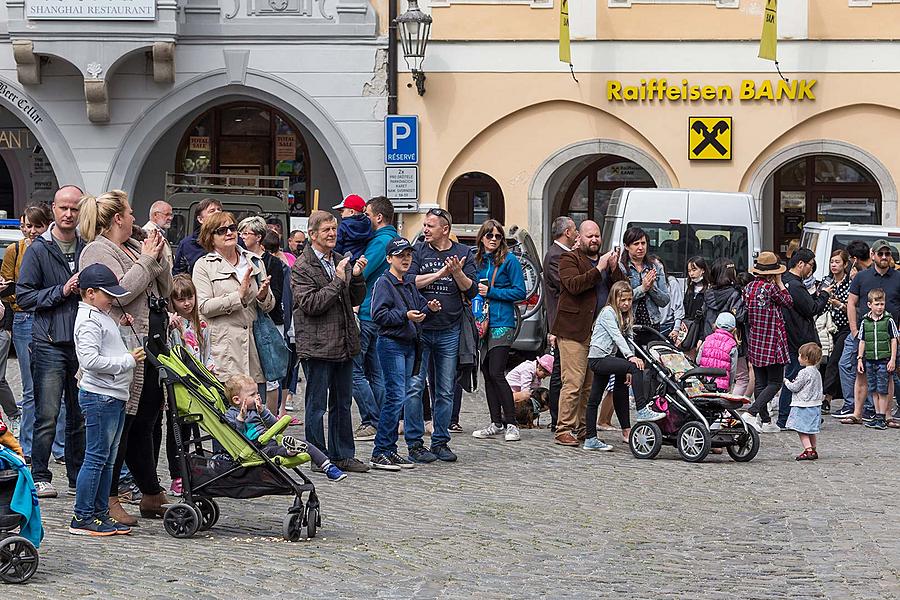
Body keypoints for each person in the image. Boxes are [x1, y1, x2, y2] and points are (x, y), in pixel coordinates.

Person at [78, 189, 174, 524]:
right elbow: (118, 294)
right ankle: (110, 497)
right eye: (131, 213)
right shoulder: (96, 251)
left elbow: (165, 288)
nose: (136, 219)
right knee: (124, 423)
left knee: (146, 422)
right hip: (122, 348)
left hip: (150, 345)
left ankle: (150, 492)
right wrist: (148, 260)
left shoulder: (134, 246)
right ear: (118, 218)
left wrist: (159, 256)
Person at [16, 185, 86, 499]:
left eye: (74, 208)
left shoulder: (89, 246)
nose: (69, 214)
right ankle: (40, 474)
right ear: (54, 209)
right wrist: (62, 290)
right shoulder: (39, 249)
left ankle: (76, 476)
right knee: (47, 414)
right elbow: (25, 296)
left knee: (80, 414)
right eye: (63, 208)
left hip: (82, 341)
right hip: (48, 341)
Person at [292, 210, 370, 473]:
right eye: (326, 230)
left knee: (342, 403)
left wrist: (356, 276)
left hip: (344, 343)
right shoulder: (301, 266)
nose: (332, 234)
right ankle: (318, 456)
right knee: (316, 405)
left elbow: (355, 298)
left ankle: (343, 454)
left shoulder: (339, 260)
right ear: (312, 234)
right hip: (317, 346)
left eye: (334, 229)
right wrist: (338, 279)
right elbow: (311, 304)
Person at [70, 264, 144, 537]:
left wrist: (121, 328)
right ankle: (83, 515)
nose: (112, 299)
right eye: (107, 294)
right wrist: (128, 360)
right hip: (100, 396)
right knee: (96, 458)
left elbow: (106, 345)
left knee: (107, 460)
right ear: (90, 293)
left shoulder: (100, 315)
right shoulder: (89, 319)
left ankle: (99, 513)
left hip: (111, 395)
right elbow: (89, 361)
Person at [405, 208, 478, 463]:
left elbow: (471, 291)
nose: (425, 229)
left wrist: (457, 272)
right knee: (414, 387)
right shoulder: (418, 252)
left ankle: (440, 442)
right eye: (424, 225)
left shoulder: (464, 254)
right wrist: (438, 275)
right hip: (421, 330)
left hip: (450, 329)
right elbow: (409, 281)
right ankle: (414, 444)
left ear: (445, 229)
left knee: (445, 390)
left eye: (430, 226)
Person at [551, 220, 625, 447]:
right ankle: (563, 429)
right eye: (589, 236)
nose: (594, 240)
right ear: (579, 238)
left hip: (598, 334)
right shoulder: (569, 259)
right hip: (573, 330)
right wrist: (600, 268)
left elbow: (621, 290)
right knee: (573, 382)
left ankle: (584, 427)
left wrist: (613, 269)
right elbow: (573, 285)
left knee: (589, 385)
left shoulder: (605, 260)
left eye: (597, 236)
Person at [369, 237, 441, 470]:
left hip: (409, 345)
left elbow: (416, 309)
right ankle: (380, 450)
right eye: (401, 255)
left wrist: (427, 309)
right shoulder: (384, 283)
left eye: (409, 255)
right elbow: (378, 316)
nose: (406, 259)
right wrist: (405, 316)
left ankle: (389, 449)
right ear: (389, 259)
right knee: (395, 396)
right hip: (391, 344)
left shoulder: (408, 283)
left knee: (400, 395)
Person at [193, 212, 275, 385]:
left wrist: (263, 296)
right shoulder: (204, 265)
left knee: (256, 407)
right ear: (210, 237)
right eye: (222, 230)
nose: (229, 233)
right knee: (228, 409)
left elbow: (269, 306)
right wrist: (238, 296)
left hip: (255, 349)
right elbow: (203, 307)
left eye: (232, 228)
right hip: (224, 351)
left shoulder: (255, 261)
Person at [223, 374, 347, 481]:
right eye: (252, 394)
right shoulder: (231, 415)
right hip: (255, 447)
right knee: (273, 452)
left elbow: (274, 425)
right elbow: (235, 436)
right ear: (237, 400)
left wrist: (263, 412)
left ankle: (329, 468)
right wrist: (241, 418)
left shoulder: (257, 409)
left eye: (257, 393)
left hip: (270, 440)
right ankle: (290, 451)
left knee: (305, 444)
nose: (257, 396)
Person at [470, 220, 526, 442]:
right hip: (481, 321)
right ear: (482, 237)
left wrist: (492, 292)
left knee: (496, 371)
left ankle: (512, 423)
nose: (493, 239)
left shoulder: (509, 261)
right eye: (489, 235)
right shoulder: (477, 261)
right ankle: (495, 422)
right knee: (486, 371)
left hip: (502, 321)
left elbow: (520, 291)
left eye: (498, 236)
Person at [1, 205, 52, 447]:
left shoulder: (52, 248)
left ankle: (58, 445)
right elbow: (8, 288)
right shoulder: (15, 249)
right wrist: (21, 295)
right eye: (27, 226)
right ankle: (29, 444)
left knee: (55, 386)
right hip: (23, 317)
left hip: (49, 317)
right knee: (30, 386)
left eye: (36, 226)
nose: (31, 231)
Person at [583, 280, 656, 451]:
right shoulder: (608, 312)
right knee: (634, 367)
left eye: (629, 300)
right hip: (598, 358)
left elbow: (629, 340)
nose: (626, 304)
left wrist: (629, 357)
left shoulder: (627, 315)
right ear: (614, 299)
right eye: (622, 300)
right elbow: (617, 337)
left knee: (596, 398)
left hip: (607, 357)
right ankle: (642, 408)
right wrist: (631, 359)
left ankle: (591, 438)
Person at [840, 240, 900, 425]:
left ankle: (887, 415)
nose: (884, 257)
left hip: (890, 336)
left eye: (887, 254)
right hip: (865, 334)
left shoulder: (898, 277)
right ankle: (857, 413)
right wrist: (853, 329)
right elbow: (851, 303)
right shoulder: (862, 277)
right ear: (872, 254)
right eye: (880, 254)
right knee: (861, 372)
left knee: (888, 375)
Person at [352, 197, 397, 442]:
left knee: (354, 370)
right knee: (376, 373)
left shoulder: (381, 242)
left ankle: (372, 419)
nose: (363, 219)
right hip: (380, 313)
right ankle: (381, 421)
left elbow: (362, 272)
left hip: (369, 311)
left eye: (366, 214)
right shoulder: (394, 239)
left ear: (378, 217)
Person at [775, 248, 830, 429]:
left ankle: (796, 416)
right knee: (796, 379)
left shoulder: (785, 281)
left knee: (797, 378)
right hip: (800, 338)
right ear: (801, 264)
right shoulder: (795, 285)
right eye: (810, 266)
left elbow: (804, 303)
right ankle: (785, 418)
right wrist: (824, 295)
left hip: (790, 335)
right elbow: (812, 309)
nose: (811, 270)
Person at [741, 252, 793, 434]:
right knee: (775, 382)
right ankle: (753, 412)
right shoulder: (770, 289)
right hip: (772, 340)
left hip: (755, 339)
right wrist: (780, 283)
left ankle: (765, 420)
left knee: (760, 383)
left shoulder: (748, 288)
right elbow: (788, 301)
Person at [239, 216, 286, 413]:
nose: (241, 236)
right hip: (246, 322)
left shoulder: (273, 263)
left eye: (245, 233)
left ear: (258, 237)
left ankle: (270, 419)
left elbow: (276, 297)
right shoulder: (240, 260)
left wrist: (262, 296)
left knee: (270, 376)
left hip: (268, 323)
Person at [541, 216, 577, 430]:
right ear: (567, 232)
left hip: (565, 320)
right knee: (559, 371)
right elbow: (566, 286)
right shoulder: (556, 256)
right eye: (574, 230)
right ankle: (557, 418)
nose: (576, 234)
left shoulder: (565, 254)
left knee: (561, 368)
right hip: (561, 320)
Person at [701, 259, 749, 395]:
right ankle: (730, 408)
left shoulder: (708, 293)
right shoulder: (734, 294)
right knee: (741, 377)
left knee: (710, 376)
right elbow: (740, 316)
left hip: (711, 339)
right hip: (731, 341)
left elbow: (705, 315)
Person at [855, 288, 899, 430]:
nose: (880, 307)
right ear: (870, 305)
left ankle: (882, 416)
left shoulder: (888, 320)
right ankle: (878, 415)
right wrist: (860, 358)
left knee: (883, 389)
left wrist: (892, 359)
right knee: (873, 389)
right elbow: (862, 340)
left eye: (882, 304)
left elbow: (894, 340)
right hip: (870, 359)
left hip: (884, 359)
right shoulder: (865, 321)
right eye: (877, 304)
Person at [621, 226, 670, 341]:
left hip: (652, 325)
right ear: (626, 246)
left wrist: (651, 288)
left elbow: (665, 301)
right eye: (636, 244)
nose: (640, 247)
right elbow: (619, 300)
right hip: (628, 325)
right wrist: (642, 288)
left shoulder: (656, 267)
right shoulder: (621, 268)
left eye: (643, 243)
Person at [821, 250, 851, 414]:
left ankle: (827, 398)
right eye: (832, 261)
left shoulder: (851, 282)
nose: (834, 265)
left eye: (838, 262)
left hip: (844, 327)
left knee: (835, 361)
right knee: (824, 362)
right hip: (826, 327)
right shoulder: (826, 281)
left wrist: (838, 304)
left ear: (845, 264)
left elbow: (853, 307)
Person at [784, 343, 825, 460]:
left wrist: (787, 382)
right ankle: (814, 448)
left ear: (805, 358)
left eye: (799, 355)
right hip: (815, 405)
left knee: (801, 429)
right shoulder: (817, 372)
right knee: (811, 430)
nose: (798, 358)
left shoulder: (804, 372)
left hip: (803, 405)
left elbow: (795, 387)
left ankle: (808, 450)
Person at [173, 198, 222, 275]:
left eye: (219, 209)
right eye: (212, 211)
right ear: (200, 219)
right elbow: (179, 276)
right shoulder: (187, 245)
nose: (218, 213)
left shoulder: (233, 239)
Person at [697, 312, 739, 392]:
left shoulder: (707, 340)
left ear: (715, 325)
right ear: (734, 329)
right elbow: (733, 370)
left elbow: (698, 360)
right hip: (720, 387)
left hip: (703, 382)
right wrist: (729, 384)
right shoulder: (732, 346)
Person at [333, 194, 372, 261]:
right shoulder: (368, 224)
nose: (341, 214)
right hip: (361, 261)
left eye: (342, 211)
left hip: (345, 261)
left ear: (351, 212)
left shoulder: (343, 227)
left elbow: (336, 247)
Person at [142, 200, 173, 266]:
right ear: (155, 215)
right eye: (167, 214)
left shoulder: (157, 232)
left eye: (171, 215)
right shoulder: (147, 233)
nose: (170, 218)